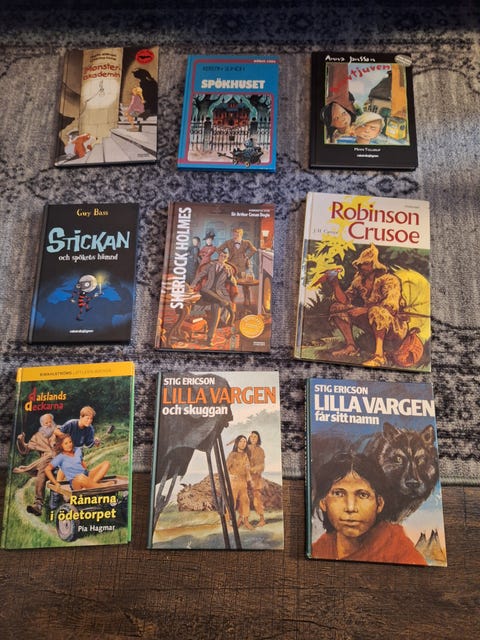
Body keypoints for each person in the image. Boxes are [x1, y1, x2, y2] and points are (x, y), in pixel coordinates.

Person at [311, 452, 427, 565]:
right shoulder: (320, 549)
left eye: (363, 495)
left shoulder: (400, 551)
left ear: (379, 504)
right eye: (338, 494)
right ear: (323, 503)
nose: (350, 508)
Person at [326, 243, 408, 367]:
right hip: (371, 322)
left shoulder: (390, 280)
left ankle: (379, 356)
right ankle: (351, 346)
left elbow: (390, 308)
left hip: (394, 327)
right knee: (337, 308)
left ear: (373, 265)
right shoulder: (358, 281)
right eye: (360, 264)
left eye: (364, 263)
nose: (360, 266)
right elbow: (344, 300)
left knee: (377, 311)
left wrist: (364, 310)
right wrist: (335, 284)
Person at [13, 413, 59, 516]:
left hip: (60, 460)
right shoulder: (37, 436)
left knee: (49, 457)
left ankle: (26, 469)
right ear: (42, 424)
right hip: (46, 464)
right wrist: (20, 441)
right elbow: (24, 450)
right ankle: (38, 505)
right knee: (43, 468)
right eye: (46, 423)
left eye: (50, 422)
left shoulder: (59, 430)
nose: (49, 424)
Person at [191, 248, 237, 346]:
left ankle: (209, 338)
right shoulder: (210, 265)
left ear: (227, 258)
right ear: (219, 256)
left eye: (225, 257)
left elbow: (234, 283)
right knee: (206, 291)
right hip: (207, 291)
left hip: (219, 293)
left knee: (216, 306)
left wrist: (229, 275)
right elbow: (200, 275)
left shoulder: (228, 269)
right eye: (221, 256)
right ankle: (225, 305)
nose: (222, 258)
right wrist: (193, 284)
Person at [44, 435, 112, 491]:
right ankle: (100, 486)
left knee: (106, 463)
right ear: (61, 446)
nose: (69, 445)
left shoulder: (77, 450)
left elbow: (82, 463)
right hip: (75, 482)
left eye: (70, 442)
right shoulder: (60, 457)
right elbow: (47, 470)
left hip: (86, 475)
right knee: (80, 477)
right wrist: (55, 483)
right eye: (66, 443)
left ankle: (90, 485)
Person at [226, 435, 253, 530]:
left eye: (245, 441)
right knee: (231, 501)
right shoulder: (232, 455)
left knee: (245, 501)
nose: (243, 443)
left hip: (243, 481)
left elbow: (247, 469)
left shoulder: (245, 455)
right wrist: (230, 476)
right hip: (233, 482)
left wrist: (249, 480)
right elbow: (226, 468)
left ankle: (245, 521)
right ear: (237, 443)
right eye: (241, 441)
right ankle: (228, 523)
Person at [247, 431, 266, 526]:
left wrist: (253, 469)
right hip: (245, 477)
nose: (253, 438)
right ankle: (244, 520)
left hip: (256, 478)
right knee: (243, 499)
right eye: (251, 436)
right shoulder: (245, 448)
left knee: (257, 499)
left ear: (258, 439)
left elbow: (262, 465)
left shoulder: (260, 450)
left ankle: (262, 519)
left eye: (255, 436)